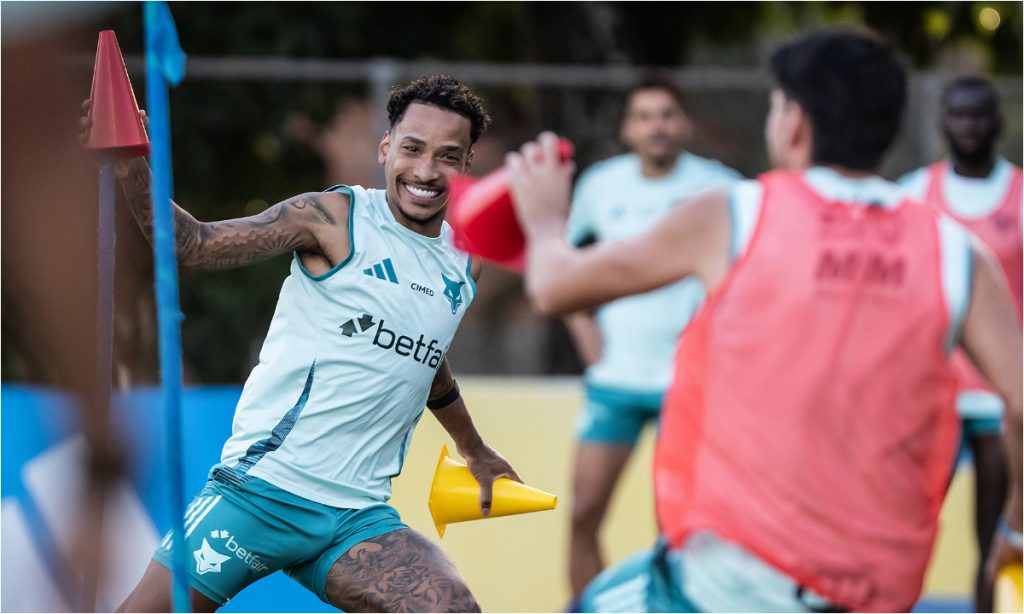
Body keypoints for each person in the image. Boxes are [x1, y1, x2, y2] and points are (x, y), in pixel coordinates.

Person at [506, 28, 1022, 612]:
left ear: (794, 123)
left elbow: (553, 288)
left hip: (732, 587)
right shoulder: (957, 252)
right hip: (877, 591)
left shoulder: (736, 214)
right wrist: (1018, 528)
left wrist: (545, 222)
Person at [90, 75, 521, 612]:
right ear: (386, 147)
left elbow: (425, 357)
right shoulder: (332, 218)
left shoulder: (464, 262)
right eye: (412, 148)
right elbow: (192, 246)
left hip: (356, 520)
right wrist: (131, 163)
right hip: (260, 495)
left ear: (467, 163)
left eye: (448, 156)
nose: (426, 170)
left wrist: (474, 449)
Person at [561, 76, 741, 603]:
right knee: (582, 513)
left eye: (666, 115)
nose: (655, 126)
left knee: (677, 530)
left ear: (684, 124)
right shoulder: (601, 185)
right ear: (628, 129)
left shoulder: (722, 188)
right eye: (643, 117)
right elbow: (564, 265)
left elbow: (753, 273)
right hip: (615, 382)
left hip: (688, 387)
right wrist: (585, 332)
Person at [898, 76, 1021, 613]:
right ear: (943, 121)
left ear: (998, 122)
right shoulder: (912, 194)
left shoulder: (1019, 193)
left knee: (996, 536)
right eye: (960, 114)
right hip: (932, 391)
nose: (970, 125)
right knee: (906, 527)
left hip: (1000, 395)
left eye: (980, 114)